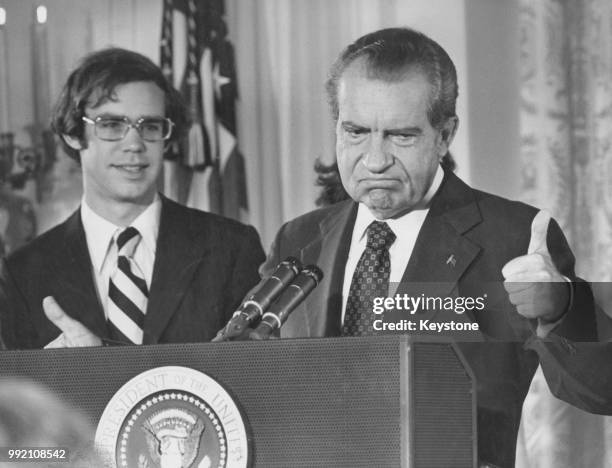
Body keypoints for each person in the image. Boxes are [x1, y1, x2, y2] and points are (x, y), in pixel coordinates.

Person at [261, 28, 601, 467]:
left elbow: (600, 389)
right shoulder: (298, 240)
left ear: (444, 135)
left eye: (401, 136)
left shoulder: (512, 238)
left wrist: (560, 312)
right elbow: (260, 387)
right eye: (356, 131)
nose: (375, 159)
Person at [0, 48, 265, 349]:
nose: (134, 144)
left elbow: (256, 378)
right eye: (112, 125)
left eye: (150, 127)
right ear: (72, 133)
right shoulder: (24, 272)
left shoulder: (231, 248)